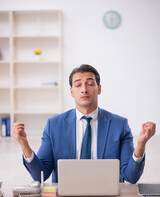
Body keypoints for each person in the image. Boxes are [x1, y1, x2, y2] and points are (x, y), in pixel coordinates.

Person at [11, 64, 156, 183]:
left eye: (90, 84)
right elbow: (40, 175)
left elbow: (131, 177)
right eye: (78, 85)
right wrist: (24, 145)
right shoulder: (54, 125)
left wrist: (141, 145)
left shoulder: (119, 125)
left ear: (99, 89)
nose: (84, 89)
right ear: (71, 91)